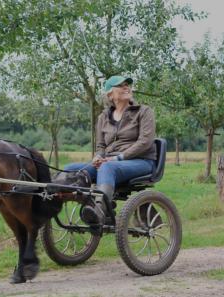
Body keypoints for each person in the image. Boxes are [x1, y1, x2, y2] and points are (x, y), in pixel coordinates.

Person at [63, 75, 157, 225]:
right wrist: (97, 157)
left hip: (141, 161)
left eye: (128, 84)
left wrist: (117, 158)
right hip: (110, 162)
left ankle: (100, 211)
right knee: (69, 169)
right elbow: (101, 146)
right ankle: (88, 204)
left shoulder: (144, 111)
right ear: (110, 95)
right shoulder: (103, 117)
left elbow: (145, 142)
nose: (126, 87)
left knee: (107, 167)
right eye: (121, 85)